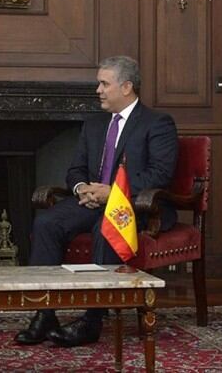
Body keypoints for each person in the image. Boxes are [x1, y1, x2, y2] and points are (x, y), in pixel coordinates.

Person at [13, 56, 179, 348]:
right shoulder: (93, 124)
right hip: (91, 201)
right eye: (98, 83)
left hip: (135, 206)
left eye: (104, 83)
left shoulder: (157, 123)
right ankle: (45, 313)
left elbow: (159, 174)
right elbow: (75, 170)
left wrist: (111, 192)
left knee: (106, 227)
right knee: (46, 222)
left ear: (126, 87)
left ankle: (92, 320)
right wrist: (81, 189)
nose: (98, 90)